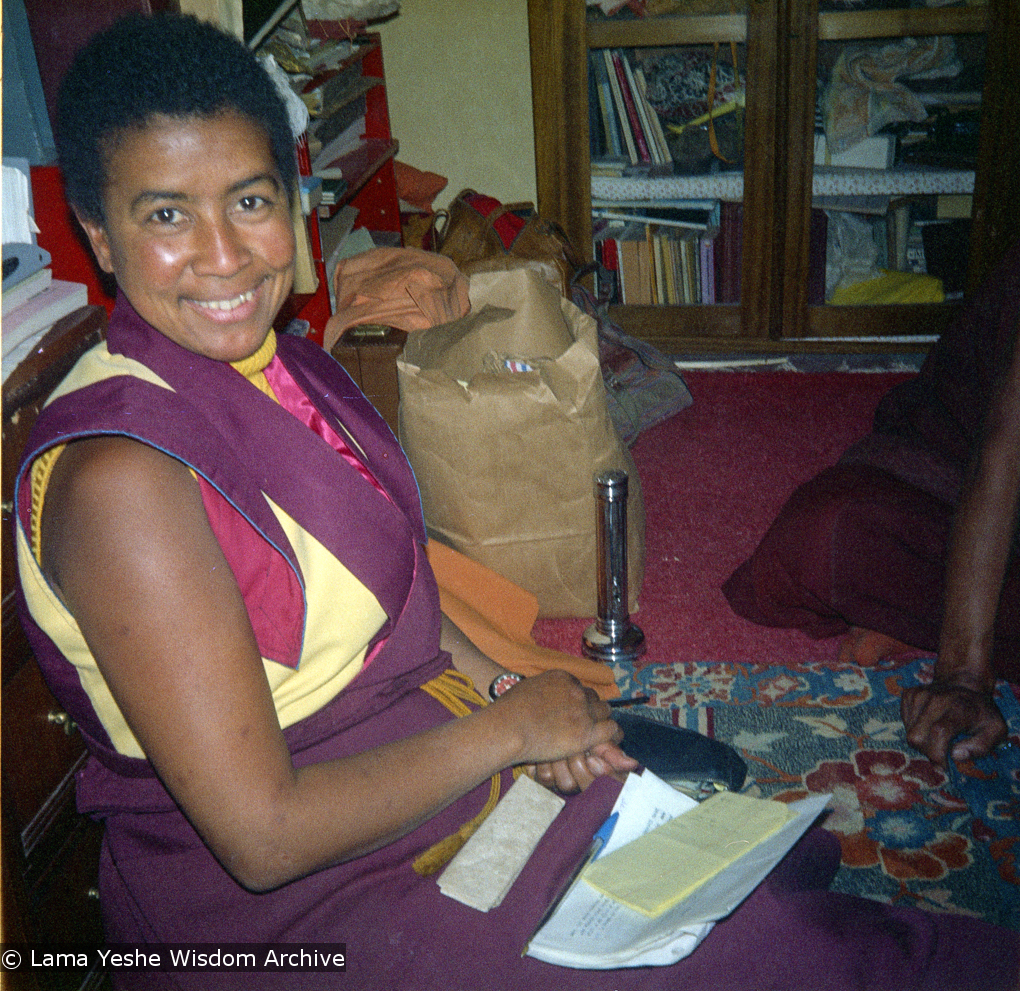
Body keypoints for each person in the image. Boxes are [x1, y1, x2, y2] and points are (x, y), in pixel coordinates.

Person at [12, 14, 1018, 990]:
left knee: (753, 872)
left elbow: (398, 583)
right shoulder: (123, 484)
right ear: (99, 234)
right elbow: (262, 838)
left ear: (293, 202)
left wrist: (508, 692)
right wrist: (508, 734)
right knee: (798, 964)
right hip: (299, 902)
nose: (225, 256)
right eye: (166, 215)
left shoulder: (281, 365)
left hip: (413, 755)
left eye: (249, 200)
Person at [724, 240, 1020, 770]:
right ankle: (950, 620)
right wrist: (964, 674)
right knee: (825, 535)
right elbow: (1002, 454)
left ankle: (919, 617)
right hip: (964, 491)